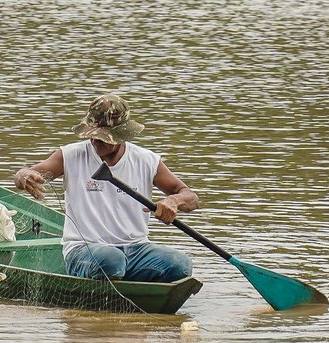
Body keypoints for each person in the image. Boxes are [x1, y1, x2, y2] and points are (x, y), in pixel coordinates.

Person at [14, 93, 199, 282]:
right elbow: (30, 173)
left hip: (136, 249)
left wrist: (173, 201)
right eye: (92, 135)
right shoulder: (70, 155)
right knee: (112, 261)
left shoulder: (146, 160)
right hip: (85, 249)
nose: (94, 141)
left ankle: (131, 287)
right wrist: (23, 175)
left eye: (102, 138)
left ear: (121, 135)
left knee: (180, 264)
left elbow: (191, 197)